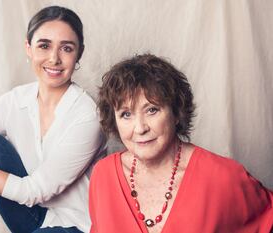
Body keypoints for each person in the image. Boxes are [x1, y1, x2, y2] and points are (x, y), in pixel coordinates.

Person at [0, 6, 105, 233]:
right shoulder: (15, 100)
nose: (54, 58)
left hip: (75, 226)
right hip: (32, 217)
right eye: (44, 46)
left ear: (79, 53)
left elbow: (33, 191)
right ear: (29, 48)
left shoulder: (88, 116)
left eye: (66, 48)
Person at [89, 54, 273, 233]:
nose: (140, 128)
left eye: (152, 110)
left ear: (176, 112)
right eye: (126, 114)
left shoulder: (222, 176)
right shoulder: (103, 176)